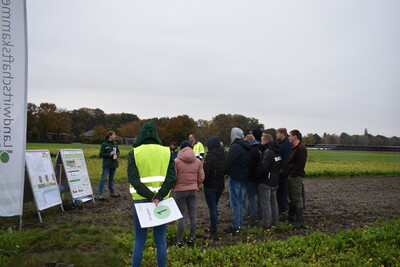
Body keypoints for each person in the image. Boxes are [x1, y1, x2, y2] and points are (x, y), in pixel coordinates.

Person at [128, 122, 176, 267]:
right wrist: (158, 196)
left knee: (139, 240)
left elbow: (133, 179)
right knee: (160, 240)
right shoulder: (167, 152)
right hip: (161, 203)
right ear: (156, 134)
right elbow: (171, 178)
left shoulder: (134, 153)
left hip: (141, 202)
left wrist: (150, 196)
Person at [173, 140, 205, 247]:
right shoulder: (197, 162)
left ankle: (179, 241)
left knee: (181, 216)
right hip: (193, 190)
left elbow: (174, 177)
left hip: (180, 191)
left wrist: (174, 186)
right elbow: (201, 177)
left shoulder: (176, 161)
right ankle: (191, 239)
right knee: (193, 216)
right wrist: (196, 184)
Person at [224, 127, 251, 234]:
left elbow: (228, 161)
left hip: (235, 177)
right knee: (240, 202)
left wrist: (226, 172)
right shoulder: (247, 147)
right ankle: (239, 223)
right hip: (244, 177)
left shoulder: (235, 147)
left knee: (235, 202)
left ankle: (236, 226)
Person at [203, 136, 226, 239]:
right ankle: (213, 225)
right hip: (220, 184)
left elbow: (206, 172)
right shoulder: (224, 155)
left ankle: (214, 229)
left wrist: (202, 181)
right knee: (214, 206)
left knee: (212, 208)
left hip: (210, 186)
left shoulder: (210, 157)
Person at [284, 129, 307, 229]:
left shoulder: (301, 148)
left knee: (297, 197)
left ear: (295, 136)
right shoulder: (294, 148)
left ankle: (299, 221)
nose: (288, 137)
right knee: (292, 197)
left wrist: (292, 174)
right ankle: (291, 217)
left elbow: (300, 164)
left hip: (295, 177)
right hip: (291, 176)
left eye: (290, 135)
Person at [257, 133, 281, 229]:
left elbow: (264, 167)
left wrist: (258, 175)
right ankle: (275, 222)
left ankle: (266, 224)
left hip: (266, 181)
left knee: (266, 204)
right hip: (275, 180)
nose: (261, 142)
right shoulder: (277, 152)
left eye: (262, 140)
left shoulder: (268, 152)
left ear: (266, 141)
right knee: (273, 203)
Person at [244, 134, 261, 225]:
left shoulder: (251, 150)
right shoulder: (258, 149)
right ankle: (252, 214)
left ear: (249, 141)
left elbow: (249, 164)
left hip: (251, 177)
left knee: (251, 197)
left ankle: (253, 216)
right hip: (257, 176)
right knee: (256, 196)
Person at [98, 131, 120, 200]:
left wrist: (117, 155)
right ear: (110, 136)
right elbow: (101, 154)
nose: (115, 136)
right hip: (107, 165)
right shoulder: (104, 144)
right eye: (114, 135)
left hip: (114, 164)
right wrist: (109, 154)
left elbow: (118, 151)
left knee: (111, 179)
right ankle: (100, 194)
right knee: (103, 179)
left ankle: (112, 193)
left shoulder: (115, 144)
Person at [276, 128, 292, 218]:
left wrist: (282, 167)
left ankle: (282, 208)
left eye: (277, 133)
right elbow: (278, 157)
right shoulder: (280, 143)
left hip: (283, 171)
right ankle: (281, 207)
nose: (276, 135)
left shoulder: (286, 144)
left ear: (283, 134)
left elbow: (286, 157)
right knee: (280, 190)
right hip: (278, 169)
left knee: (282, 190)